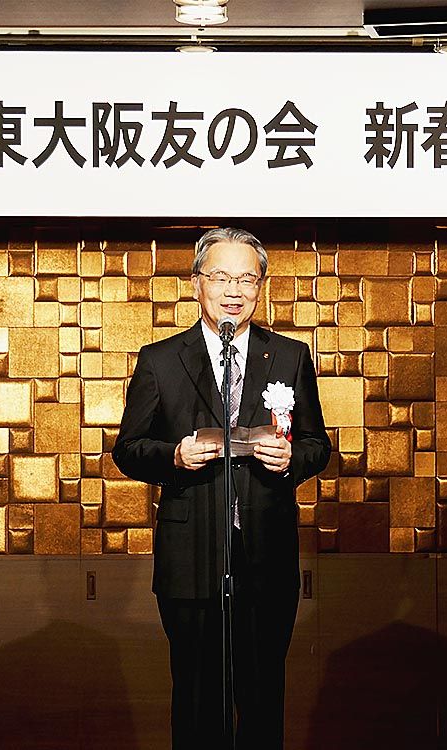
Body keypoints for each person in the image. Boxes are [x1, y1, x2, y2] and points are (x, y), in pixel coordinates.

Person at [112, 227, 332, 750]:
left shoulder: (289, 355)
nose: (234, 290)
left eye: (247, 279)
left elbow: (317, 444)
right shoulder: (161, 359)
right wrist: (174, 456)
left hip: (267, 554)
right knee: (197, 700)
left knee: (263, 698)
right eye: (221, 277)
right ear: (197, 284)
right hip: (191, 558)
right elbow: (128, 448)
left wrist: (290, 459)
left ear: (260, 287)